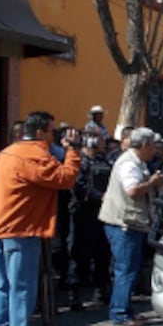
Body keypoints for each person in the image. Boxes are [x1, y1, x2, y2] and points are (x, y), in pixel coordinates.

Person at [0, 111, 80, 326]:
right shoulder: (33, 155)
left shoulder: (6, 153)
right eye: (50, 131)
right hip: (20, 227)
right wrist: (73, 152)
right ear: (39, 132)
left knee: (3, 283)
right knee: (22, 284)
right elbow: (64, 178)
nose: (52, 137)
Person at [98, 127, 163, 326]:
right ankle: (120, 313)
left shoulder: (138, 162)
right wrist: (152, 182)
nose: (155, 149)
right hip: (123, 223)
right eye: (153, 145)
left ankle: (124, 309)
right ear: (144, 145)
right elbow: (132, 191)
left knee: (129, 269)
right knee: (126, 269)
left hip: (130, 222)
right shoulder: (129, 164)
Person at [70, 129, 113, 308]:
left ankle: (101, 291)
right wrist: (99, 196)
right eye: (101, 140)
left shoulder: (105, 161)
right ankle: (76, 294)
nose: (104, 143)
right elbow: (78, 186)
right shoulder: (80, 161)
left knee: (103, 253)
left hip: (103, 213)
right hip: (84, 213)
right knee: (81, 255)